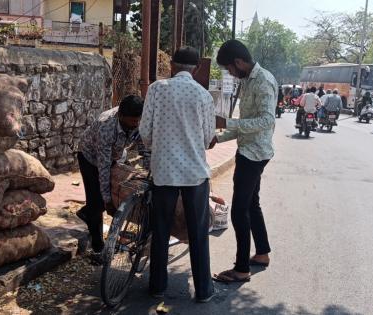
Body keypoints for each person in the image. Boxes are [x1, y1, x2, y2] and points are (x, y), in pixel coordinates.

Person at [139, 47, 216, 302]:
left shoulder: (156, 89)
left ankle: (157, 286)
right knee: (198, 233)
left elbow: (145, 131)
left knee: (160, 229)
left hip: (164, 172)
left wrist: (158, 147)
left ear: (171, 65)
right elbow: (207, 139)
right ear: (196, 69)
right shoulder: (204, 96)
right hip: (195, 173)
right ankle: (204, 290)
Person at [211, 40, 277, 283]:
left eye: (229, 69)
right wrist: (218, 138)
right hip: (250, 148)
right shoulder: (248, 80)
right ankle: (261, 253)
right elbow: (245, 124)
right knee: (252, 204)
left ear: (238, 62)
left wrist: (225, 123)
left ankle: (241, 269)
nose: (230, 73)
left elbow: (265, 121)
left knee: (240, 210)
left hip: (254, 154)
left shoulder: (263, 81)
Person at [77, 95, 144, 262]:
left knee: (102, 199)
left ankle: (86, 213)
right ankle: (98, 247)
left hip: (115, 155)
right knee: (97, 201)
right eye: (132, 121)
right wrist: (107, 202)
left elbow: (144, 145)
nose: (135, 124)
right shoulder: (106, 126)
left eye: (137, 121)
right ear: (120, 116)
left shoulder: (140, 121)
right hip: (90, 156)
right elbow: (104, 168)